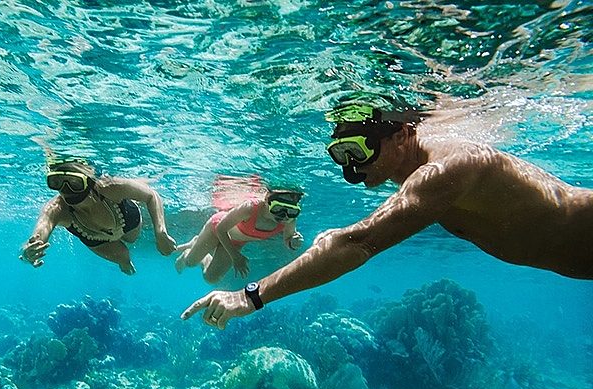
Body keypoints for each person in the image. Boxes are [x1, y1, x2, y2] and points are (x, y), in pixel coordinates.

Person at [182, 103, 593, 329]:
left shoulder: (447, 169)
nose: (351, 170)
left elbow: (355, 243)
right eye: (340, 156)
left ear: (399, 135)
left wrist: (247, 297)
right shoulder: (419, 167)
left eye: (358, 152)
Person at [20, 156, 176, 274]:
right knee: (123, 256)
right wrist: (29, 250)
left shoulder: (111, 187)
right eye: (56, 182)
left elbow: (151, 196)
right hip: (93, 238)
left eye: (74, 182)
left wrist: (160, 232)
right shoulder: (56, 208)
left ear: (88, 180)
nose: (65, 189)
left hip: (127, 220)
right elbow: (40, 232)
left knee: (132, 238)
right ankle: (124, 262)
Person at [174, 188, 305, 283]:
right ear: (266, 200)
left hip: (236, 242)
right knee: (190, 263)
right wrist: (236, 257)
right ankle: (189, 250)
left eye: (291, 211)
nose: (283, 215)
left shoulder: (289, 219)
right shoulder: (250, 208)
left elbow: (288, 240)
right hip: (216, 229)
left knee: (211, 278)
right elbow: (220, 229)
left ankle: (202, 253)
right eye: (278, 208)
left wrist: (293, 242)